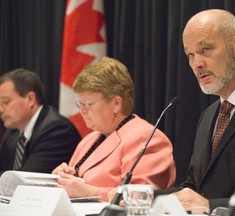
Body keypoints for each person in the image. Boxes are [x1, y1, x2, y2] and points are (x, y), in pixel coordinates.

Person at [155, 9, 235, 216]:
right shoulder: (208, 115)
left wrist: (210, 206)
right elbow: (194, 188)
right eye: (190, 55)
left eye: (205, 49)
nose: (196, 64)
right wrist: (142, 196)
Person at [52, 57, 176, 201]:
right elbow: (75, 187)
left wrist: (88, 192)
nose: (82, 111)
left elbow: (141, 197)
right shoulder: (88, 140)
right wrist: (63, 178)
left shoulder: (148, 138)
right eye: (80, 104)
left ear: (116, 103)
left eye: (88, 104)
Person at [0, 68, 81, 175]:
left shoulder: (57, 131)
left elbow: (27, 179)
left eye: (6, 102)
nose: (0, 109)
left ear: (30, 99)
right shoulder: (13, 132)